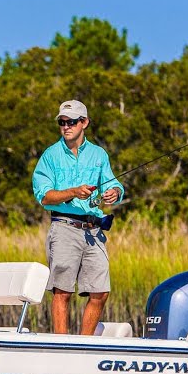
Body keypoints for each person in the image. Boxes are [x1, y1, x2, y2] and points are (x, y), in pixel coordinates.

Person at [30, 99, 125, 335]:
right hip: (64, 227)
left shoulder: (98, 154)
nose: (66, 126)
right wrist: (72, 192)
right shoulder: (50, 156)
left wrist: (115, 192)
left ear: (84, 123)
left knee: (100, 292)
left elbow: (112, 183)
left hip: (94, 230)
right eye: (62, 122)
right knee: (62, 291)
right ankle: (61, 345)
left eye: (71, 122)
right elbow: (44, 196)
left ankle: (85, 344)